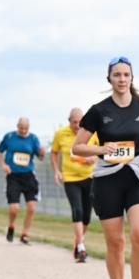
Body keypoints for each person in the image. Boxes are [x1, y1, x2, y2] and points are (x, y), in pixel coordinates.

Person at [72, 56, 139, 279]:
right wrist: (100, 148)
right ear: (109, 78)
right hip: (107, 178)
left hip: (136, 175)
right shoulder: (98, 110)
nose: (122, 79)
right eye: (117, 75)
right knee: (115, 241)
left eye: (126, 75)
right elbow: (77, 146)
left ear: (132, 78)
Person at [51, 108, 98, 262]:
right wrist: (57, 171)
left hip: (89, 177)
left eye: (80, 122)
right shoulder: (61, 134)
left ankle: (78, 243)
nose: (77, 125)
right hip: (70, 178)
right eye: (74, 122)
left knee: (86, 215)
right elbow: (54, 152)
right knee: (77, 209)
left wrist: (94, 156)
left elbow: (102, 149)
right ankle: (81, 247)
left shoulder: (92, 132)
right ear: (69, 121)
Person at [0, 117, 44, 244]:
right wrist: (3, 165)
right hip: (13, 176)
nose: (23, 130)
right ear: (17, 126)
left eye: (26, 128)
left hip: (28, 176)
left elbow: (40, 157)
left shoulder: (33, 139)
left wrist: (42, 153)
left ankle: (25, 234)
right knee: (14, 208)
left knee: (31, 207)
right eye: (21, 128)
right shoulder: (9, 137)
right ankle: (11, 226)